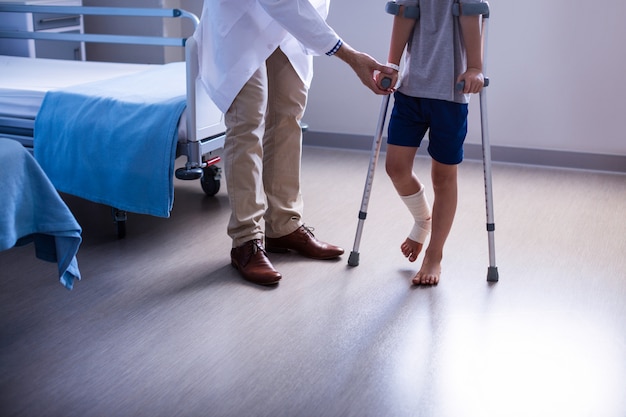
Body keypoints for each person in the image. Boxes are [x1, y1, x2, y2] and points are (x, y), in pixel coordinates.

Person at [194, 1, 393, 285]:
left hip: (286, 28)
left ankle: (283, 226)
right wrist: (349, 56)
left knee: (288, 117)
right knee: (247, 122)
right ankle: (245, 241)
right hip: (240, 20)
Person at [377, 0, 485, 285]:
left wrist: (475, 66)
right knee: (396, 168)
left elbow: (471, 15)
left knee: (443, 176)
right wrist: (392, 65)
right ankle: (423, 219)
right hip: (411, 89)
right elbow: (404, 14)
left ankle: (434, 254)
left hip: (451, 93)